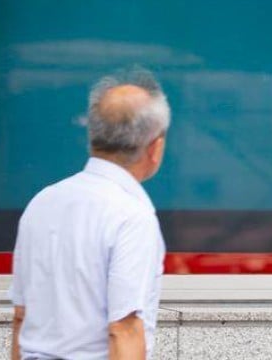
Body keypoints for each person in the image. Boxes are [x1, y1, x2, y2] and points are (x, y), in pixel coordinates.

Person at [9, 73, 170, 360]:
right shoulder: (132, 215)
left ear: (93, 137)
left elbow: (21, 316)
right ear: (155, 148)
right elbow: (124, 329)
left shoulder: (42, 203)